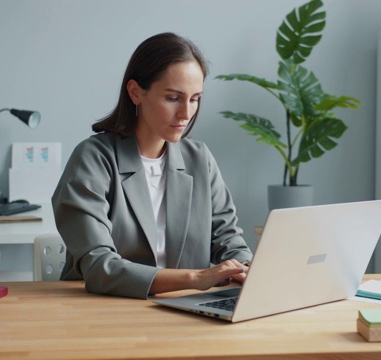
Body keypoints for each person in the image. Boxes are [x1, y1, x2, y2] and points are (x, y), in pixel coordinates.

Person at [52, 32, 253, 299]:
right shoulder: (92, 159)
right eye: (173, 98)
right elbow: (100, 268)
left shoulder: (199, 158)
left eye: (194, 99)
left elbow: (229, 240)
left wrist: (245, 269)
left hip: (184, 310)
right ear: (136, 92)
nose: (186, 113)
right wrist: (197, 278)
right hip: (105, 312)